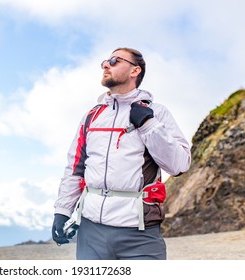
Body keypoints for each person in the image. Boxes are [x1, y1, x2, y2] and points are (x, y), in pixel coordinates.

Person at [52, 47, 191, 260]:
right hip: (90, 233)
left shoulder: (156, 113)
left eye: (115, 60)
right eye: (105, 61)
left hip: (139, 233)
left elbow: (180, 165)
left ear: (135, 71)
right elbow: (75, 167)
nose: (106, 65)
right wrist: (62, 211)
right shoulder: (92, 115)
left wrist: (148, 124)